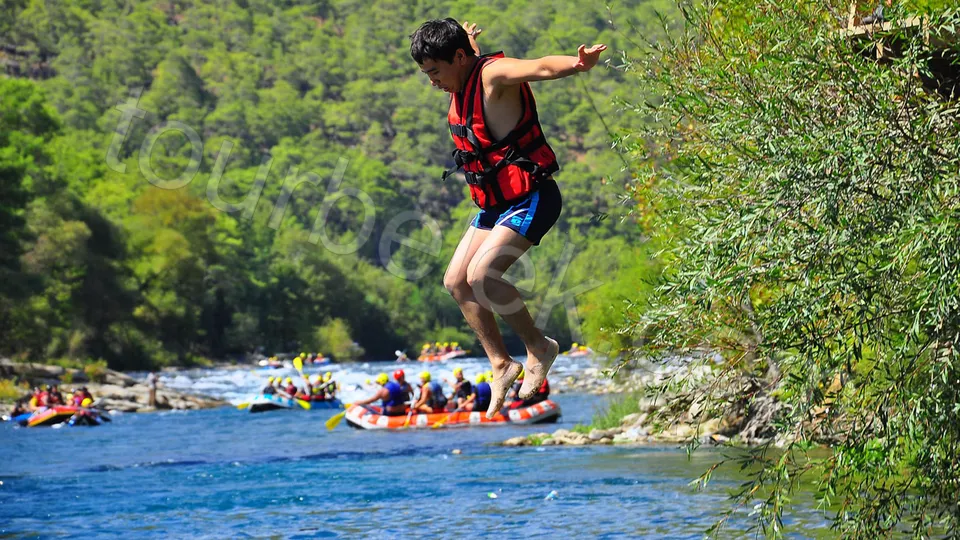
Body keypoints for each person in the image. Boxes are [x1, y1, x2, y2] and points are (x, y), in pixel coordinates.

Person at [410, 19, 605, 418]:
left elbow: (540, 67)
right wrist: (466, 44)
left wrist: (578, 64)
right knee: (456, 282)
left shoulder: (492, 75)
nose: (431, 81)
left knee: (482, 277)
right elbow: (465, 63)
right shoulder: (465, 71)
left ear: (459, 58)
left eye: (434, 71)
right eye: (426, 73)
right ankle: (501, 364)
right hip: (495, 204)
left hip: (532, 195)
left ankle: (540, 346)